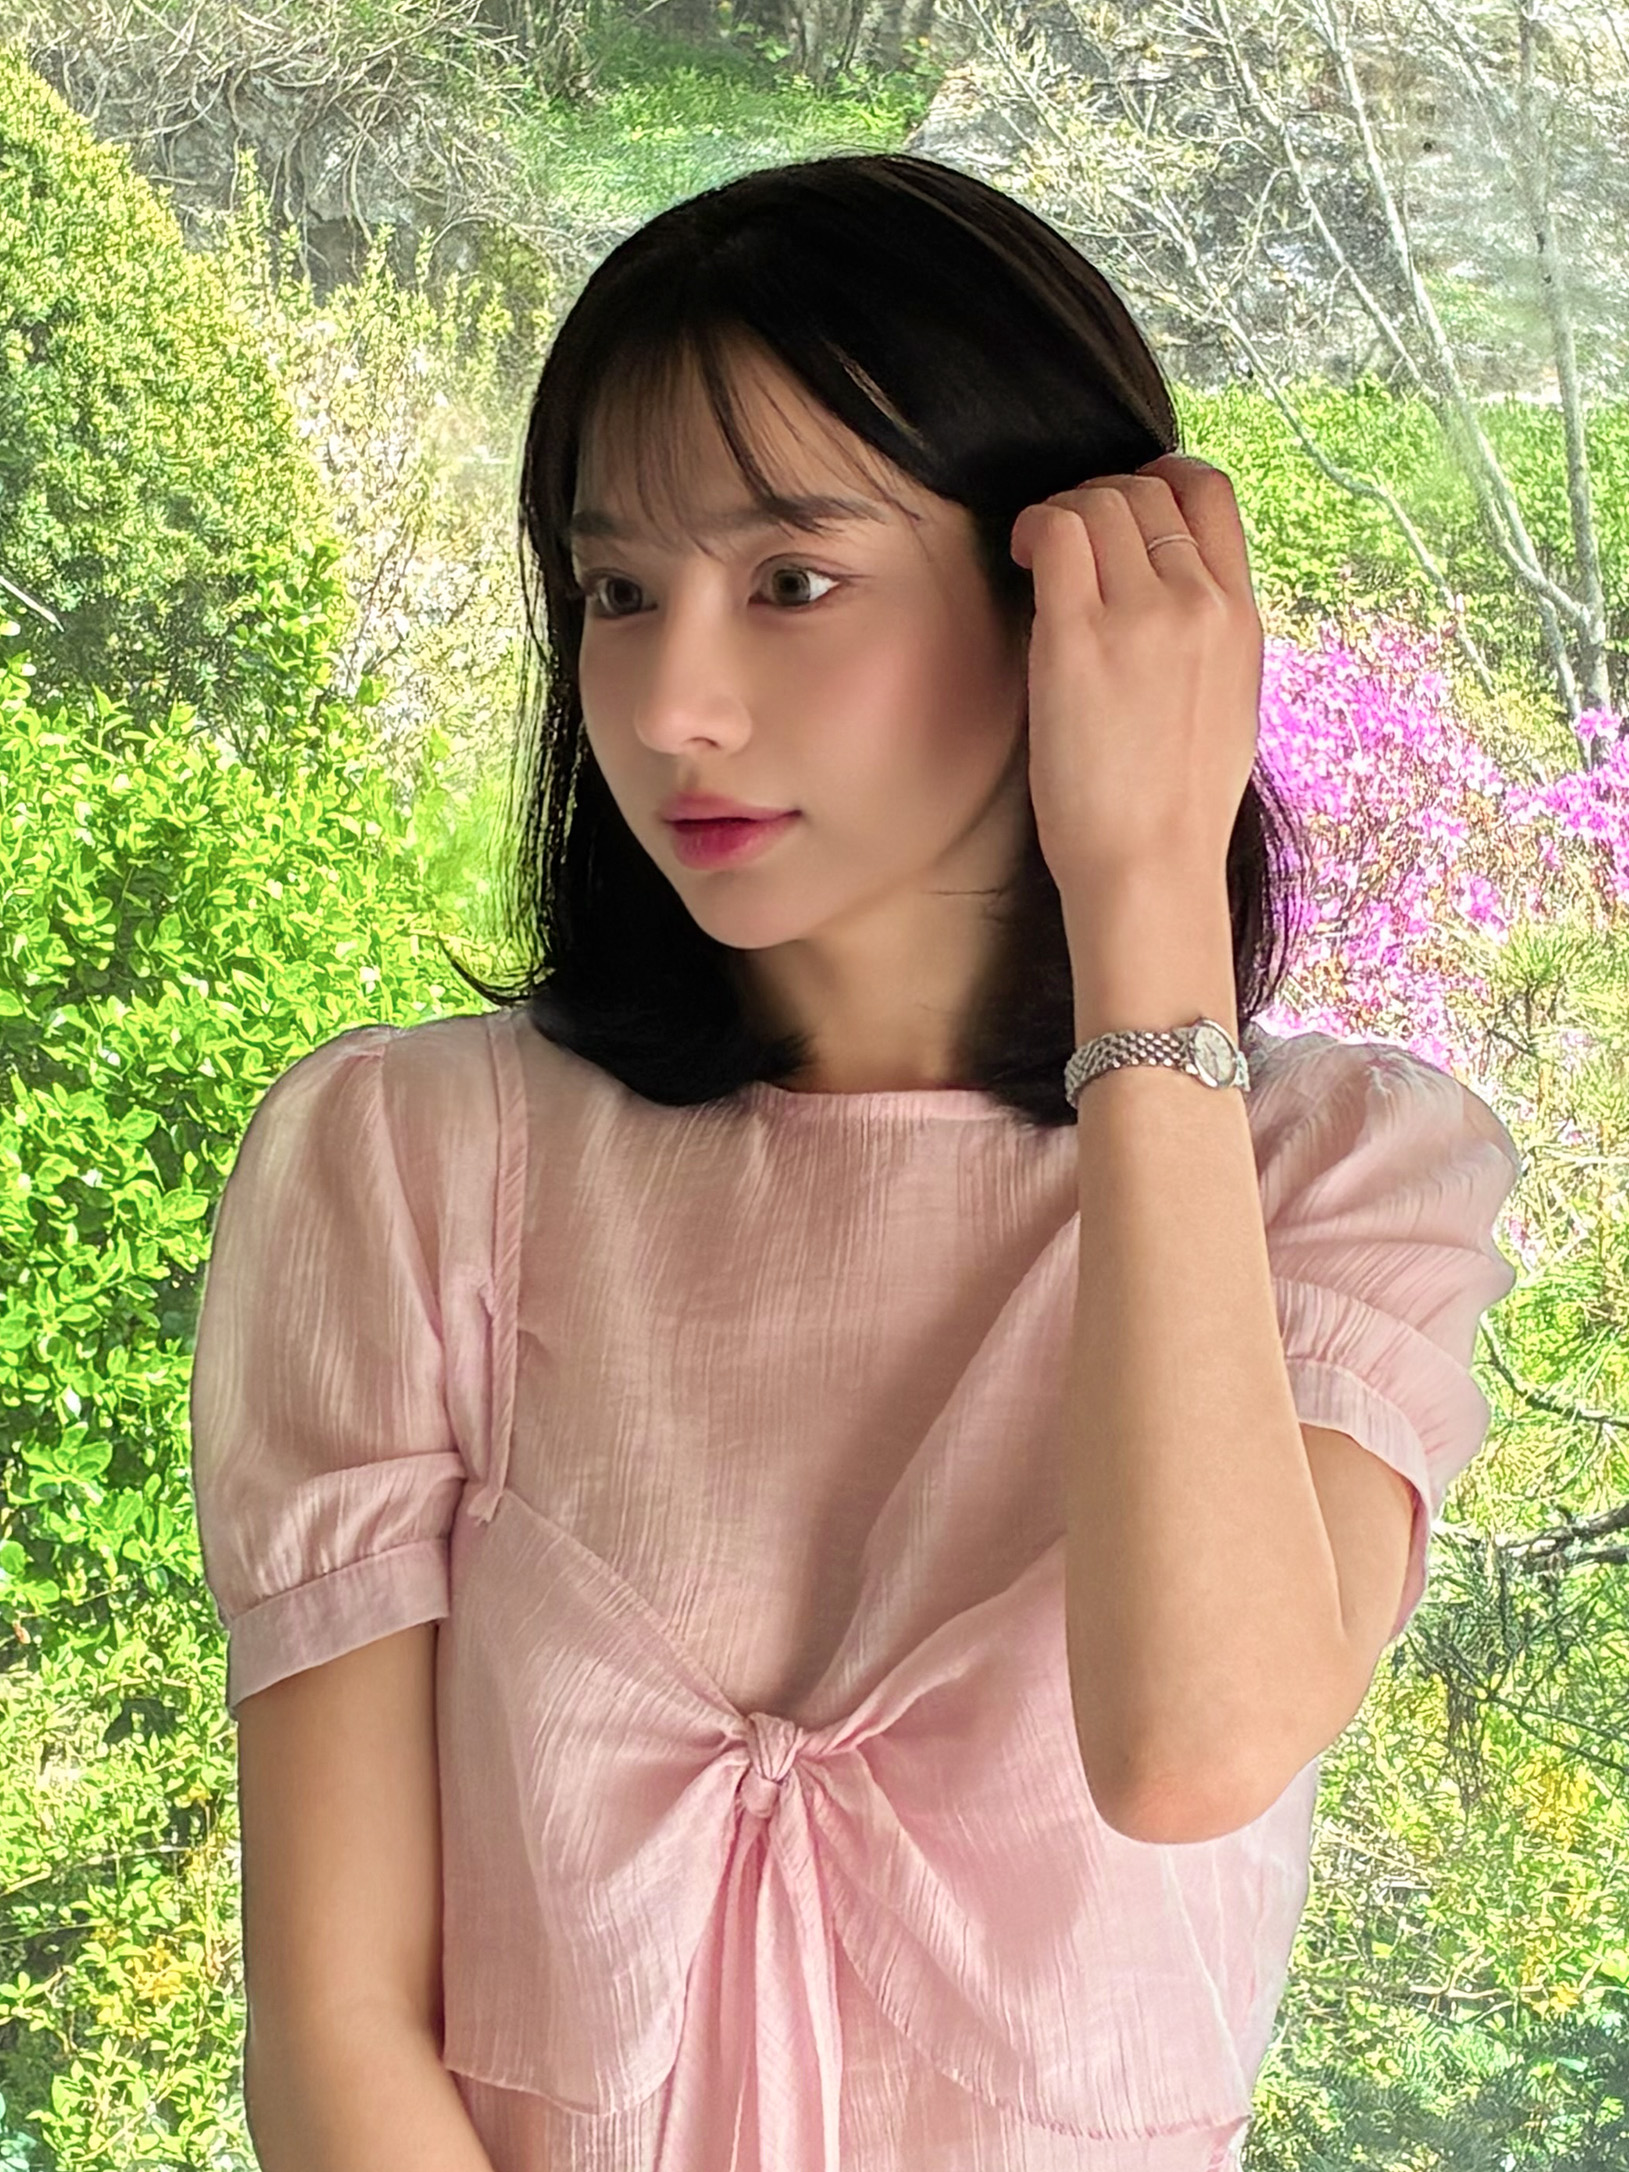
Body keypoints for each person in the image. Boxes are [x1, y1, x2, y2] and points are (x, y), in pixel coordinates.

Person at [188, 151, 1524, 2172]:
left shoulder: (1332, 1177)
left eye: (790, 582)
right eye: (616, 592)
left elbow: (1192, 1749)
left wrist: (1143, 894)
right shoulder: (409, 1162)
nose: (671, 704)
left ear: (1065, 605)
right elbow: (337, 2027)